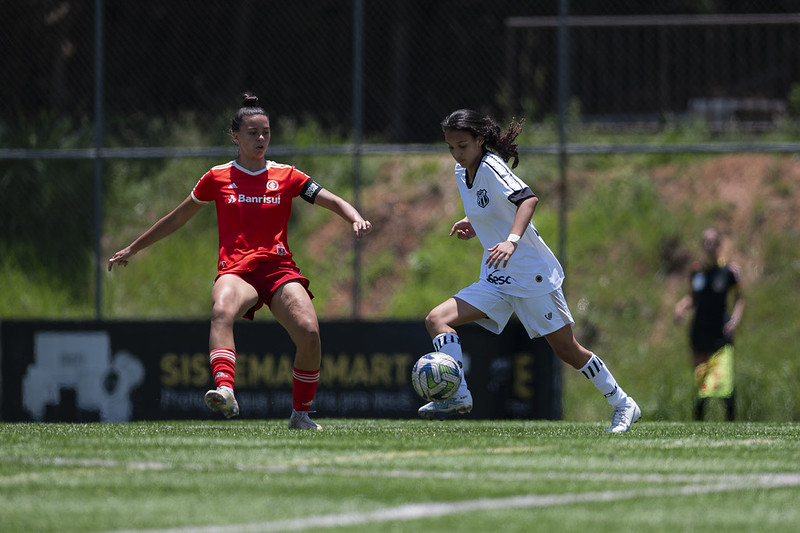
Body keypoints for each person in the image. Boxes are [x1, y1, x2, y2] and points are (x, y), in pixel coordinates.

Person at [108, 93, 372, 430]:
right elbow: (177, 218)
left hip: (278, 270)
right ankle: (225, 389)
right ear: (236, 137)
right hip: (236, 270)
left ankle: (301, 415)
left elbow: (330, 198)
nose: (260, 139)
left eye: (265, 132)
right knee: (221, 309)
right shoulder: (217, 177)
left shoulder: (287, 175)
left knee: (309, 332)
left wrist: (355, 216)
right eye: (252, 133)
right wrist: (133, 247)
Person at [422, 109, 640, 433]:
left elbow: (527, 199)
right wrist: (475, 222)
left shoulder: (492, 166)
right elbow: (493, 207)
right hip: (497, 277)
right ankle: (457, 394)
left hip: (530, 275)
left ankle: (623, 403)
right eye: (451, 146)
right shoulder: (460, 172)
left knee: (567, 350)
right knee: (436, 320)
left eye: (463, 145)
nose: (457, 153)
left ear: (480, 140)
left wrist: (510, 240)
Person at [674, 227, 743, 421]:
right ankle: (698, 422)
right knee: (701, 378)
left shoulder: (729, 271)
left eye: (713, 241)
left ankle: (731, 421)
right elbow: (693, 297)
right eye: (706, 242)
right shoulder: (697, 271)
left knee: (724, 379)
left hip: (720, 331)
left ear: (719, 244)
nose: (709, 245)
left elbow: (739, 298)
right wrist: (681, 306)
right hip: (700, 331)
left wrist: (735, 319)